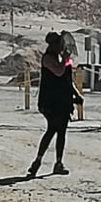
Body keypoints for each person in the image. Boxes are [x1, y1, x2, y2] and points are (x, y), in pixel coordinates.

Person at [28, 31, 82, 177]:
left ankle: (56, 162)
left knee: (60, 131)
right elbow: (58, 72)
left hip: (63, 100)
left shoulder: (59, 58)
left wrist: (76, 94)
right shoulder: (48, 58)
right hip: (51, 101)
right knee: (53, 129)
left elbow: (67, 79)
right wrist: (65, 60)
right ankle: (40, 160)